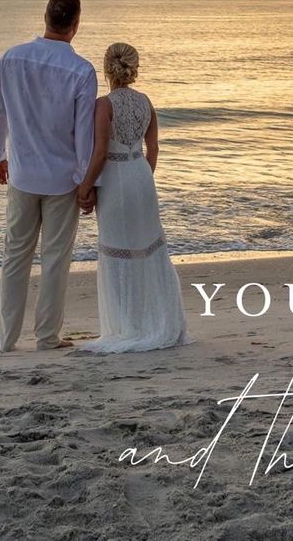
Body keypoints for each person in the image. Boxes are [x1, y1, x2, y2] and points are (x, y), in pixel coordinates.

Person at [0, 0, 97, 352]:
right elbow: (84, 133)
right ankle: (47, 336)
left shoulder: (12, 57)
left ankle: (6, 338)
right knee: (55, 258)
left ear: (45, 17)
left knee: (15, 256)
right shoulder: (81, 70)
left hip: (22, 173)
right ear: (76, 24)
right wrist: (85, 181)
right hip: (62, 177)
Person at [76, 42, 191, 353]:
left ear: (106, 68)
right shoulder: (146, 102)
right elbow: (152, 150)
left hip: (115, 179)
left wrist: (85, 187)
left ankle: (127, 325)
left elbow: (100, 152)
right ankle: (154, 320)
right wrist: (142, 176)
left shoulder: (104, 104)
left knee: (118, 250)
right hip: (141, 176)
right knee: (146, 248)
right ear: (134, 68)